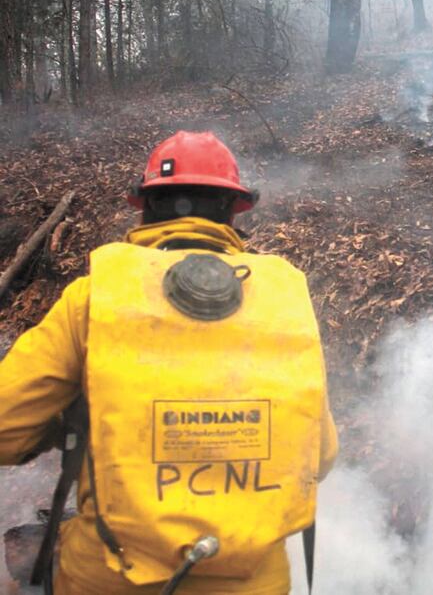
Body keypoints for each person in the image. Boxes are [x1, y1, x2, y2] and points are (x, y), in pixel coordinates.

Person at [0, 131, 338, 595]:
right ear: (233, 211)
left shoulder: (97, 298)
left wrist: (74, 421)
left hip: (108, 580)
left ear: (146, 207)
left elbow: (4, 429)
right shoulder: (280, 303)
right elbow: (320, 457)